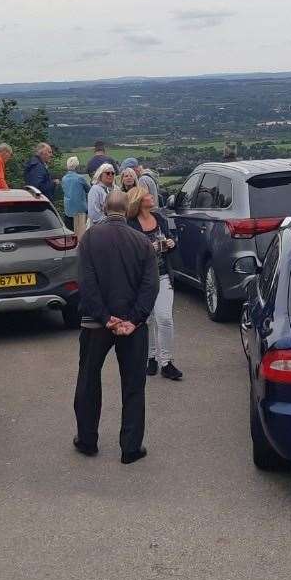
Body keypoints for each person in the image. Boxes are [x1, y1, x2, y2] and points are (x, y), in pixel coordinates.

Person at [72, 190, 158, 463]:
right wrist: (134, 319)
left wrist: (105, 317)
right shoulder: (142, 242)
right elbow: (150, 286)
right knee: (133, 384)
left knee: (88, 379)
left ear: (105, 208)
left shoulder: (89, 239)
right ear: (126, 209)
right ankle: (130, 448)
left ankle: (87, 440)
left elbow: (86, 283)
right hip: (133, 326)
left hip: (95, 325)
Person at [128, 186, 181, 381]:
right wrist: (147, 249)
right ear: (140, 201)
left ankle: (166, 362)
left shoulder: (160, 219)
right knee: (147, 320)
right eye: (148, 195)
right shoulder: (130, 224)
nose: (152, 196)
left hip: (163, 274)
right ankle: (150, 358)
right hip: (142, 280)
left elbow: (172, 239)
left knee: (165, 318)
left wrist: (171, 243)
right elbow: (129, 254)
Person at [61, 157, 90, 238]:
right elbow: (89, 190)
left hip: (68, 210)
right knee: (80, 235)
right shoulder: (80, 178)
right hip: (80, 210)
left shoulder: (64, 179)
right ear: (77, 166)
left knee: (70, 234)